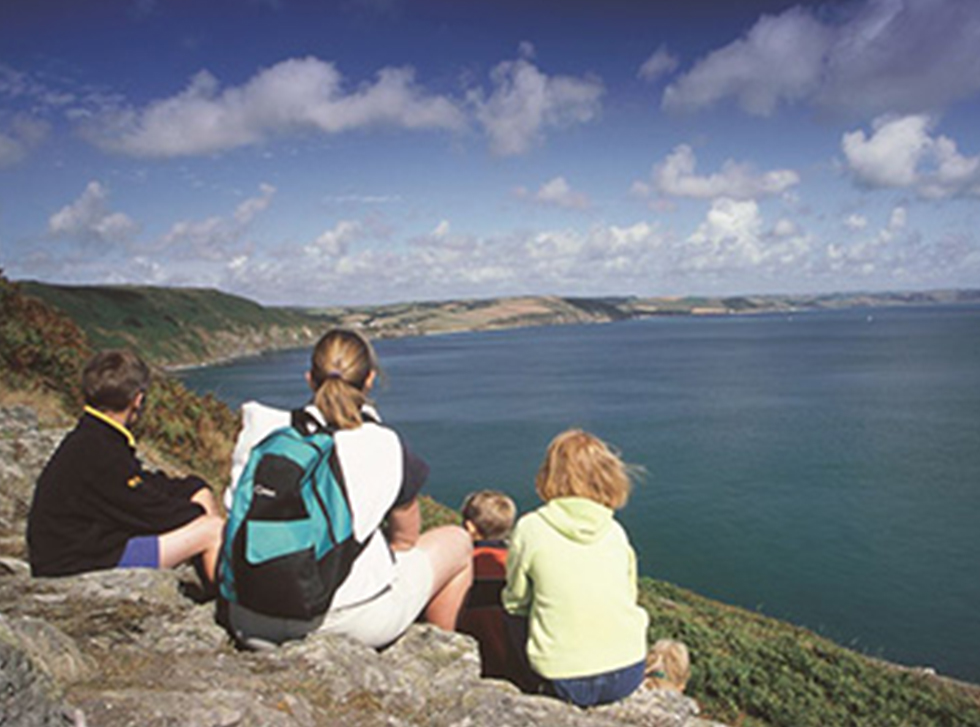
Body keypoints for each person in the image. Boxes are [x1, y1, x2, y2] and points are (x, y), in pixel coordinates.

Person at [224, 328, 473, 649]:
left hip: (249, 620)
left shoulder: (262, 430)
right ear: (369, 380)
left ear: (309, 379)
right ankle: (446, 649)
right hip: (347, 623)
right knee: (458, 540)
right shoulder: (384, 443)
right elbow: (405, 540)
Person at [27, 349, 224, 584]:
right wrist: (196, 515)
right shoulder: (100, 450)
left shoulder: (94, 435)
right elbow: (149, 512)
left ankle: (213, 578)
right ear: (137, 400)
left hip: (83, 546)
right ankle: (225, 602)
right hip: (79, 562)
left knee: (198, 492)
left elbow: (134, 484)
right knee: (212, 530)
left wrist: (192, 488)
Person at [503, 429, 649, 708]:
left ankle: (516, 682)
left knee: (513, 613)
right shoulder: (615, 531)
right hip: (629, 672)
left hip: (562, 679)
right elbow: (630, 596)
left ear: (549, 474)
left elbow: (516, 602)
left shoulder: (531, 527)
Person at [457, 489, 535, 687]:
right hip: (517, 663)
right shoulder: (516, 564)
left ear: (469, 527)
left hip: (473, 659)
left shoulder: (461, 563)